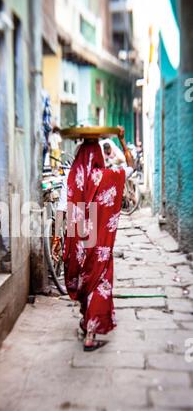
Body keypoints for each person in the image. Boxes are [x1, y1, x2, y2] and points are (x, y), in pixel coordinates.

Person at [52, 127, 134, 352]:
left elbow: (62, 209)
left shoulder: (71, 178)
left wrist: (60, 239)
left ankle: (85, 320)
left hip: (79, 243)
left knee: (84, 278)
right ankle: (90, 333)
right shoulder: (108, 176)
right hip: (98, 245)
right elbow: (131, 166)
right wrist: (122, 139)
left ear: (78, 156)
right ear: (98, 155)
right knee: (98, 281)